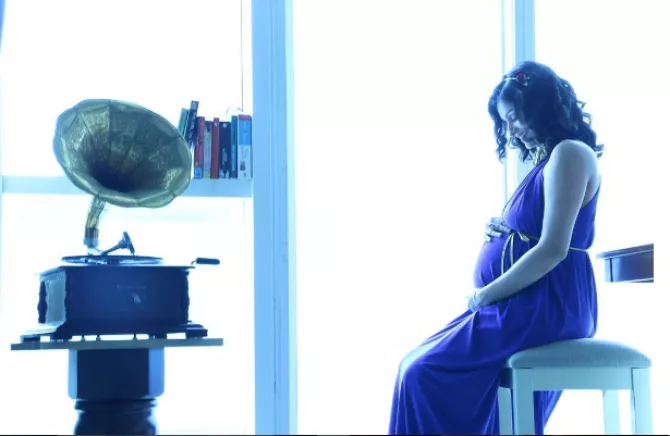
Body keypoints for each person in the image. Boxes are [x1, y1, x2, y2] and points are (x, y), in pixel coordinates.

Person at [388, 60, 604, 435]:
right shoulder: (550, 159)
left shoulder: (570, 153)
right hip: (530, 301)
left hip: (548, 301)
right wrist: (507, 230)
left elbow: (554, 249)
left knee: (421, 372)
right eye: (505, 122)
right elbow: (538, 228)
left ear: (539, 106)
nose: (511, 130)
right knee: (413, 364)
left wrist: (485, 295)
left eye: (514, 118)